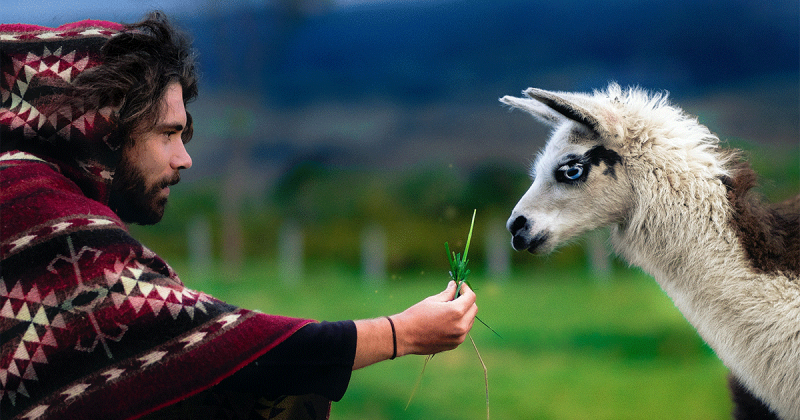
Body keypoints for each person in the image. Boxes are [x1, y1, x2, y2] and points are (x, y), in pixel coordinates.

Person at [0, 12, 478, 420]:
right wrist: (404, 333)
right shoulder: (34, 210)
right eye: (167, 134)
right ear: (105, 127)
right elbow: (203, 347)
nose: (184, 158)